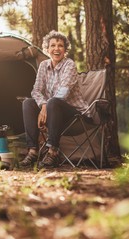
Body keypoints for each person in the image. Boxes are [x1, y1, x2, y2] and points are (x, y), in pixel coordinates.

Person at [20, 30, 90, 168]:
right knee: (28, 103)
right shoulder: (43, 66)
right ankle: (33, 150)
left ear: (65, 50)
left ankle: (53, 152)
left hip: (75, 116)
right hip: (52, 113)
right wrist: (43, 106)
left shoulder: (69, 65)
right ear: (47, 49)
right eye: (52, 45)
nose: (56, 49)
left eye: (60, 46)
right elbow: (36, 90)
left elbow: (63, 92)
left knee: (54, 101)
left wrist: (46, 108)